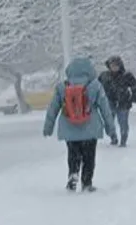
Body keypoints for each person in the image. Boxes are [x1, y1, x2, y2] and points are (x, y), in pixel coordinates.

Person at [42, 56, 118, 192]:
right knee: (89, 156)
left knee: (73, 154)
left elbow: (53, 107)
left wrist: (48, 127)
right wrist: (110, 129)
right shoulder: (95, 86)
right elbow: (105, 108)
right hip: (90, 128)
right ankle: (87, 183)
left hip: (69, 128)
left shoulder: (62, 87)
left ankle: (73, 175)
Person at [99, 55, 136, 146]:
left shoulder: (127, 75)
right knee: (108, 123)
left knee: (123, 123)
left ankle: (123, 141)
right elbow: (96, 86)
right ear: (109, 66)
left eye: (116, 65)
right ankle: (113, 137)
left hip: (124, 103)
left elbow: (135, 86)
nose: (114, 67)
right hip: (109, 103)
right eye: (112, 65)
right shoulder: (104, 76)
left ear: (120, 65)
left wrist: (134, 98)